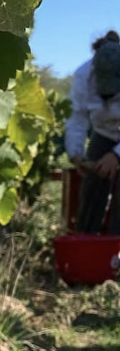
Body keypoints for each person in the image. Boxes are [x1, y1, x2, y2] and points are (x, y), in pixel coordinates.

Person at [65, 30, 120, 234]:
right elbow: (77, 118)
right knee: (91, 186)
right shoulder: (83, 75)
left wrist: (116, 156)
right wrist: (76, 154)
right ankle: (86, 239)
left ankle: (116, 245)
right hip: (103, 133)